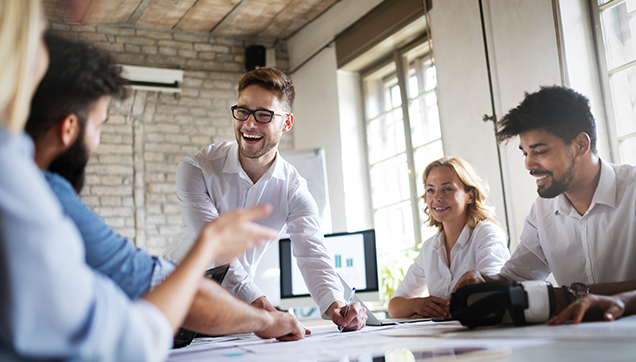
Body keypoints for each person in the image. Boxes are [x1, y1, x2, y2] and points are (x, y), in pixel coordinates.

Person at [0, 1, 292, 360]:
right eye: (101, 124)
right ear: (69, 129)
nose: (250, 123)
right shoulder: (39, 195)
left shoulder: (27, 187)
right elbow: (137, 335)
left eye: (263, 115)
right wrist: (260, 312)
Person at [162, 67, 367, 331]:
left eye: (263, 115)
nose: (249, 124)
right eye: (243, 111)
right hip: (174, 302)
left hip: (233, 315)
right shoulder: (196, 169)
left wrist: (336, 305)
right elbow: (216, 248)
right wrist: (266, 312)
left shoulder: (294, 190)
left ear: (287, 122)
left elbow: (313, 254)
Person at [454, 85, 636, 312]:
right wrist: (481, 280)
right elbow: (517, 277)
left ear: (581, 145)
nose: (529, 165)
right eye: (524, 153)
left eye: (539, 152)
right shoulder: (542, 211)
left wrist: (569, 295)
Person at [388, 157, 510, 318]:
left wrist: (433, 314)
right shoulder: (430, 247)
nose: (437, 197)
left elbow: (492, 294)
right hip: (447, 338)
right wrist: (418, 305)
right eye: (430, 190)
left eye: (447, 189)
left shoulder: (486, 233)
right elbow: (394, 307)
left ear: (470, 196)